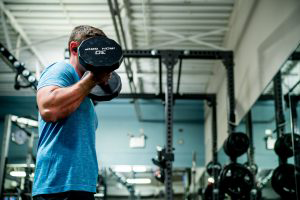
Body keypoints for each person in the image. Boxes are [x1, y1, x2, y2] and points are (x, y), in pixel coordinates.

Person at [32, 25, 111, 200]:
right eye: (94, 52)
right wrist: (93, 79)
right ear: (74, 49)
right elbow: (48, 109)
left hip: (82, 186)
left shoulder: (85, 98)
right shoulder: (62, 69)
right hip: (57, 187)